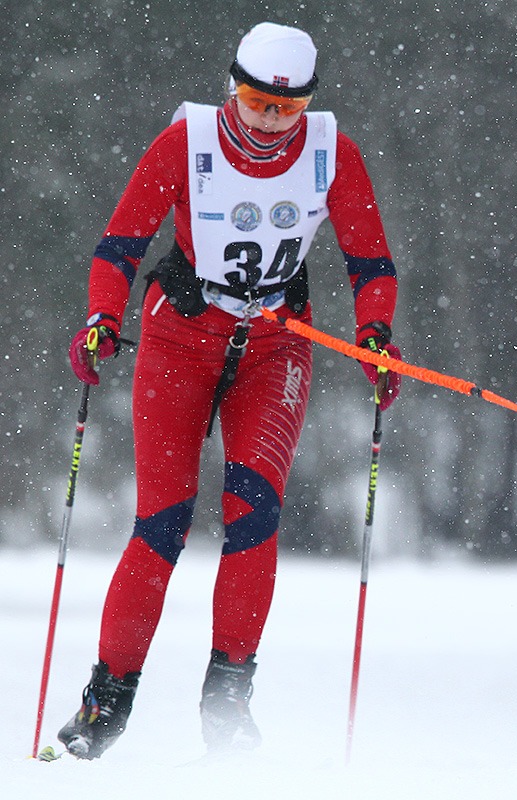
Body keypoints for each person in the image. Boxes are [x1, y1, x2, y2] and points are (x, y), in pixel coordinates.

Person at [57, 21, 403, 759]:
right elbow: (119, 247)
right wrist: (99, 319)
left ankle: (228, 704)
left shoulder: (331, 152)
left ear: (308, 102)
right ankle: (105, 702)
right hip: (180, 339)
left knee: (254, 515)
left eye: (288, 107)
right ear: (232, 89)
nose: (271, 120)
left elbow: (371, 265)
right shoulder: (186, 143)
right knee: (162, 523)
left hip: (277, 346)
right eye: (255, 102)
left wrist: (374, 337)